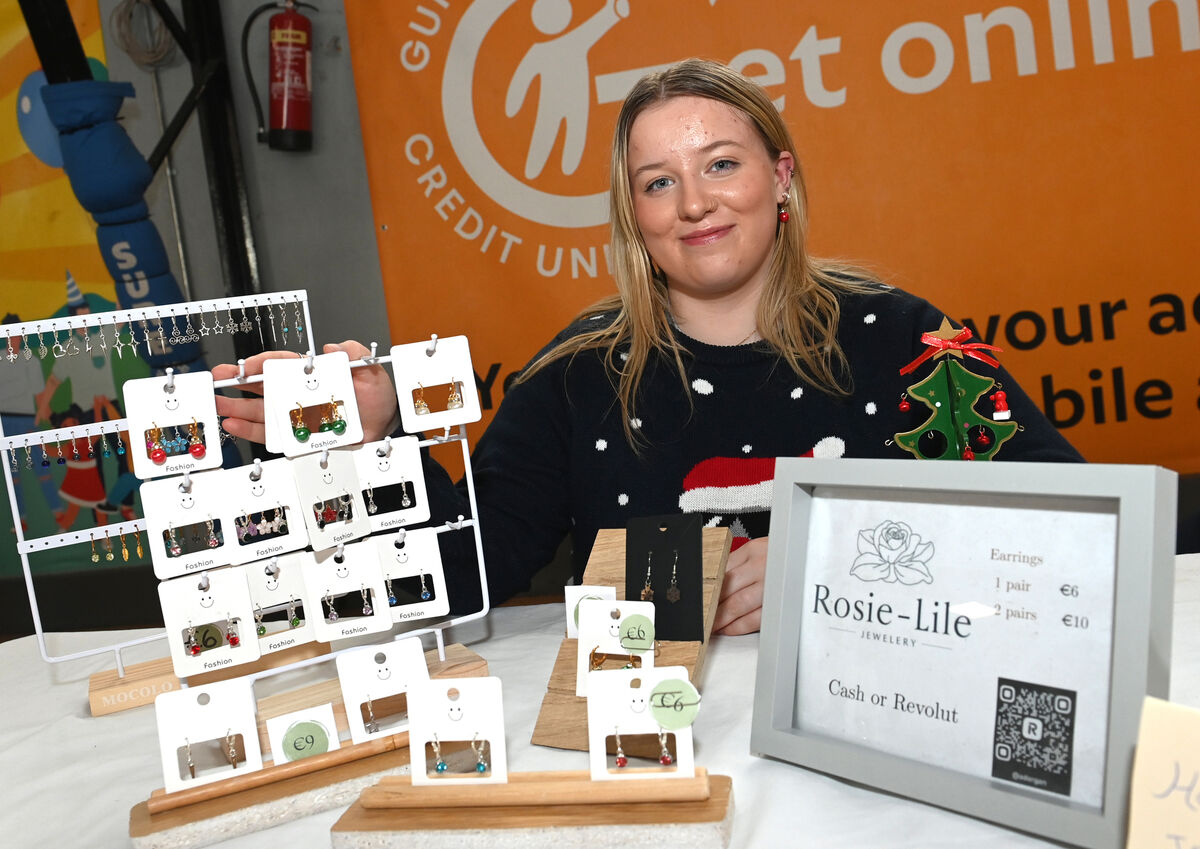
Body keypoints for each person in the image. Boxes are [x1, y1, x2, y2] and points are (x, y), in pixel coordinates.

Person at [216, 59, 1081, 636]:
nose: (694, 203)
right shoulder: (579, 376)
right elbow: (455, 573)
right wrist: (371, 442)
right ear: (635, 214)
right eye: (659, 182)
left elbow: (1072, 523)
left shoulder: (900, 338)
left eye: (722, 165)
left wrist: (834, 560)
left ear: (780, 177)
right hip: (659, 768)